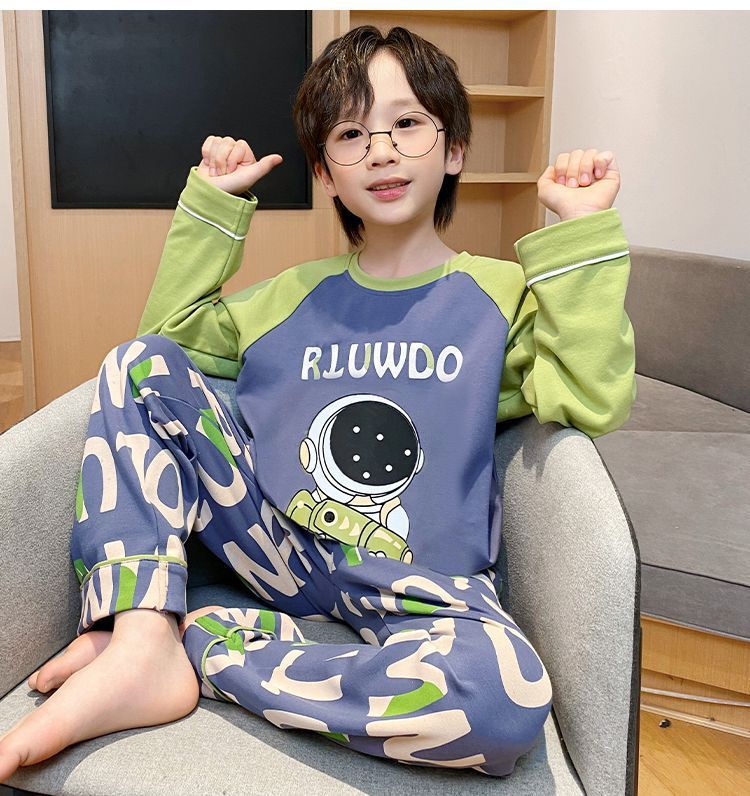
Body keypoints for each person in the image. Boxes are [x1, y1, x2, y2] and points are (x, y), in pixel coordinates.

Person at [0, 25, 634, 783]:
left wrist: (580, 231)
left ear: (455, 149)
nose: (381, 151)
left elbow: (588, 397)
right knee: (139, 365)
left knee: (502, 702)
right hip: (276, 551)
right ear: (326, 174)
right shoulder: (290, 296)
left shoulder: (499, 298)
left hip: (426, 587)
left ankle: (201, 643)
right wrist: (213, 206)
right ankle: (140, 636)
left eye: (408, 123)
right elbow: (166, 347)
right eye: (351, 134)